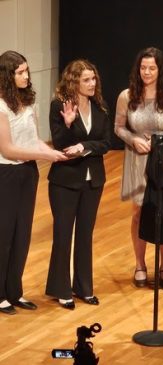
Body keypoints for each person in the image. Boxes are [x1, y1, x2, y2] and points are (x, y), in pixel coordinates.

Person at [114, 47, 163, 288]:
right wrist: (133, 139)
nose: (146, 72)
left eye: (151, 68)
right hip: (138, 160)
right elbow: (119, 127)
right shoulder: (126, 95)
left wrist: (162, 143)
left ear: (160, 70)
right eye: (143, 67)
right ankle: (140, 265)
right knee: (139, 214)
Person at [0, 50, 67, 315]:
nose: (26, 76)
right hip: (6, 174)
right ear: (7, 75)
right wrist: (43, 154)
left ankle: (15, 291)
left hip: (28, 172)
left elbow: (34, 140)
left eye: (26, 70)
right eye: (20, 72)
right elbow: (8, 149)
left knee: (22, 234)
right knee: (4, 235)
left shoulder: (28, 102)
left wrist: (53, 151)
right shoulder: (0, 106)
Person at [45, 59, 111, 309]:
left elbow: (106, 143)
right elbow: (60, 143)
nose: (92, 83)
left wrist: (85, 146)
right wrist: (70, 124)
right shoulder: (59, 106)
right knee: (63, 234)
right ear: (74, 81)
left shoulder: (100, 107)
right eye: (86, 80)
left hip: (93, 180)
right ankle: (61, 289)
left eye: (93, 79)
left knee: (85, 233)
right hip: (65, 181)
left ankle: (84, 288)